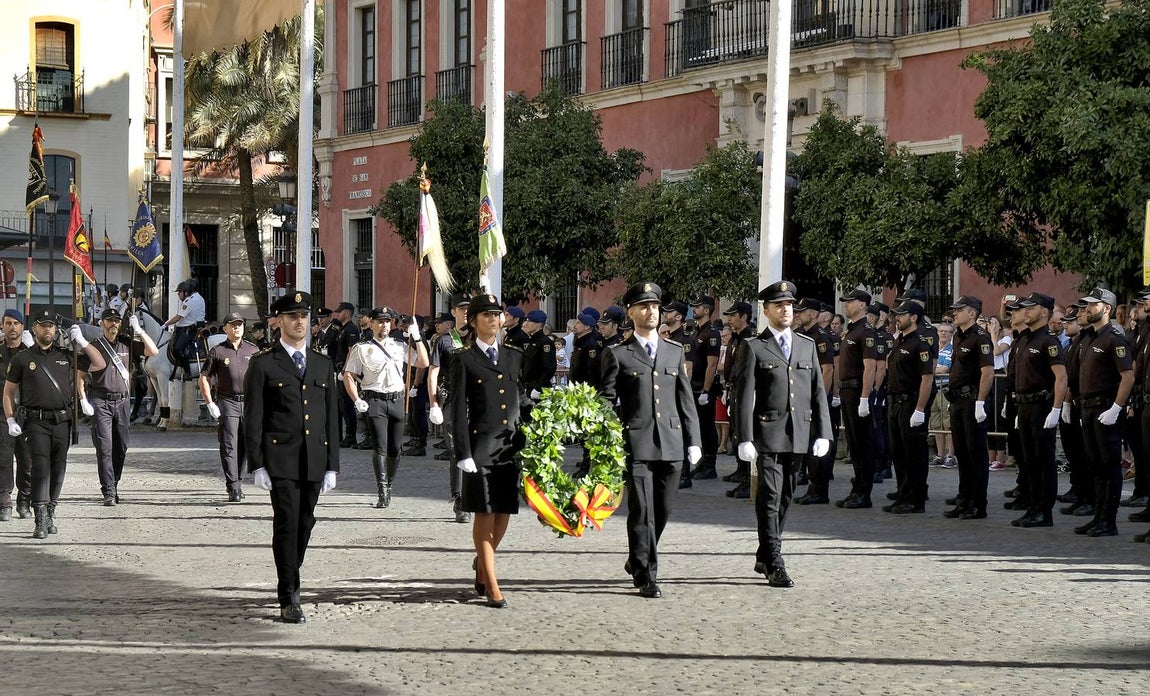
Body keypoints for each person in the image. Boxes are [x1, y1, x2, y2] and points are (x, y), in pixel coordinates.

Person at [244, 291, 339, 623]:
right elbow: (253, 417)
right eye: (292, 316)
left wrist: (332, 465)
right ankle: (289, 595)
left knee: (305, 523)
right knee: (287, 523)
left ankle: (289, 569)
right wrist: (256, 463)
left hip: (314, 459)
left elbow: (330, 418)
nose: (299, 322)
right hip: (280, 459)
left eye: (304, 317)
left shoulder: (322, 364)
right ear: (279, 321)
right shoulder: (264, 364)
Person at [601, 282, 701, 599]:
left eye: (655, 306)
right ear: (631, 312)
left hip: (671, 441)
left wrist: (694, 439)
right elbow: (606, 401)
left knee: (663, 509)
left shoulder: (674, 351)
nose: (651, 312)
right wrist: (611, 435)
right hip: (636, 442)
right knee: (642, 511)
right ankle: (647, 574)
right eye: (644, 306)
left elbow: (685, 399)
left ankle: (637, 557)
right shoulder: (618, 353)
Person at [733, 281, 831, 588]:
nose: (786, 310)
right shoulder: (754, 347)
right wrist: (744, 437)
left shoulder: (806, 345)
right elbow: (744, 396)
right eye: (779, 305)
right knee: (771, 495)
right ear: (766, 310)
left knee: (787, 494)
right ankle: (775, 560)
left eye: (789, 305)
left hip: (799, 431)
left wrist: (823, 432)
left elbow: (818, 392)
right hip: (767, 431)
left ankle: (764, 553)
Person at [449, 293, 524, 608]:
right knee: (485, 510)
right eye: (486, 315)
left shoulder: (513, 356)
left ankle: (482, 562)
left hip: (510, 446)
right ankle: (493, 585)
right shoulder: (463, 359)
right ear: (473, 321)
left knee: (504, 510)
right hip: (480, 445)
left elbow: (522, 402)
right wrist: (462, 452)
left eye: (497, 314)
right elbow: (457, 409)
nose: (493, 319)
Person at [4, 311, 105, 539]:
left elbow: (99, 363)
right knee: (40, 466)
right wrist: (10, 418)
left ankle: (51, 511)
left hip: (62, 421)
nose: (47, 329)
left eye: (51, 326)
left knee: (59, 469)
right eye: (42, 325)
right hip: (35, 421)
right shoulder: (22, 358)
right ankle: (39, 515)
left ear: (55, 330)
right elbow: (8, 392)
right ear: (35, 329)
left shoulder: (68, 355)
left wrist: (83, 342)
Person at [342, 307, 428, 508]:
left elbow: (423, 362)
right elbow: (349, 374)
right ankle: (383, 489)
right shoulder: (361, 348)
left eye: (387, 322)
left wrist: (417, 338)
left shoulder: (400, 346)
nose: (384, 325)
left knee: (395, 449)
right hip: (375, 401)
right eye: (380, 321)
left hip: (397, 400)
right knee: (380, 446)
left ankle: (388, 483)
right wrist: (356, 399)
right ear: (371, 324)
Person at [80, 308, 159, 505]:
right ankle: (108, 491)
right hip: (100, 400)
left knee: (121, 448)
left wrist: (139, 330)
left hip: (123, 401)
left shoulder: (127, 343)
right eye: (109, 321)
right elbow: (80, 376)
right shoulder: (94, 346)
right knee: (104, 447)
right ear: (102, 323)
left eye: (116, 321)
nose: (113, 324)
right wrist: (83, 399)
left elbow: (153, 350)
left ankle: (113, 483)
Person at [1072, 286, 1133, 537]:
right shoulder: (1088, 338)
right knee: (1095, 465)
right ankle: (1098, 516)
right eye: (1087, 305)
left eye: (1093, 305)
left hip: (1105, 408)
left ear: (1106, 309)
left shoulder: (1114, 339)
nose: (1087, 309)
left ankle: (1109, 520)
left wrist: (1116, 408)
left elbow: (1127, 376)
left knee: (1108, 466)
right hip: (1087, 409)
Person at [1006, 292, 1067, 528]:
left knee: (1043, 460)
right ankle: (1033, 506)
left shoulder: (1048, 341)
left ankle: (1044, 510)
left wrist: (1056, 409)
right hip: (1024, 406)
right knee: (1029, 460)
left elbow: (1060, 377)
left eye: (1032, 308)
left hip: (1041, 406)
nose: (1026, 311)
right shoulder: (1024, 340)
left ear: (1044, 312)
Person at [199, 312, 260, 502]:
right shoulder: (218, 351)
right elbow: (204, 377)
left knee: (245, 445)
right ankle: (233, 486)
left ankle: (238, 481)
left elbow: (261, 378)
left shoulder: (253, 350)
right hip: (228, 401)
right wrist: (209, 403)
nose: (237, 328)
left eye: (240, 324)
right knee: (229, 444)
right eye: (233, 325)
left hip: (249, 402)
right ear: (225, 328)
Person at [943, 296, 995, 520]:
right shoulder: (958, 336)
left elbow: (988, 372)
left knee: (976, 455)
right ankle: (963, 500)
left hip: (972, 401)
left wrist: (981, 402)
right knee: (962, 454)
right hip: (957, 400)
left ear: (972, 313)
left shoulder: (980, 338)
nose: (955, 313)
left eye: (959, 310)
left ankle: (978, 504)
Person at [881, 302, 935, 514]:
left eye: (902, 315)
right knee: (898, 452)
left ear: (914, 318)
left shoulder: (920, 344)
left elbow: (927, 378)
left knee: (914, 454)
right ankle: (903, 494)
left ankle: (915, 498)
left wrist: (920, 409)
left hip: (909, 402)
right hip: (894, 401)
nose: (897, 319)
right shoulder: (899, 342)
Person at [429, 296, 473, 522]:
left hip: (477, 401)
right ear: (453, 312)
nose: (465, 312)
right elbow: (434, 372)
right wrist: (434, 403)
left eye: (469, 308)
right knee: (457, 450)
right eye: (461, 309)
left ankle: (474, 495)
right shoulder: (444, 341)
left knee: (477, 450)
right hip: (453, 400)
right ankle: (459, 499)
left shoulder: (480, 337)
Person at [835, 288, 880, 509]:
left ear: (862, 304)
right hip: (846, 391)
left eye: (851, 301)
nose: (847, 305)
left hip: (857, 392)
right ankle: (857, 488)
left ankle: (864, 492)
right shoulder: (851, 331)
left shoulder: (866, 332)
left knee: (863, 444)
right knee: (854, 443)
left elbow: (870, 367)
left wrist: (864, 397)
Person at [794, 298, 836, 505]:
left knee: (818, 445)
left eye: (802, 312)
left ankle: (819, 489)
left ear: (813, 314)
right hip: (803, 397)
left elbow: (827, 370)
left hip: (815, 398)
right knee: (808, 444)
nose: (798, 315)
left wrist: (821, 398)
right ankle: (813, 486)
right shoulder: (804, 336)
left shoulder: (820, 338)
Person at [0, 310, 33, 521]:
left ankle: (24, 500)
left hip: (27, 413)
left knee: (27, 458)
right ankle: (4, 500)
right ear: (2, 326)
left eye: (16, 323)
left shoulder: (31, 354)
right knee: (2, 457)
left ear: (22, 327)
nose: (12, 327)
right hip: (2, 412)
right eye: (8, 323)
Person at [722, 301, 755, 498]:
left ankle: (747, 479)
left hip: (743, 391)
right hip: (733, 390)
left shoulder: (749, 338)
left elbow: (745, 371)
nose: (730, 319)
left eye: (733, 315)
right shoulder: (736, 339)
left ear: (744, 317)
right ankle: (741, 471)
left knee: (743, 434)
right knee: (736, 433)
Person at [687, 295, 722, 481]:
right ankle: (701, 463)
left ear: (707, 310)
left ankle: (710, 464)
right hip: (695, 385)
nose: (695, 309)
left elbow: (712, 364)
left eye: (698, 307)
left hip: (704, 387)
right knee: (699, 427)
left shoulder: (712, 333)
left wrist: (706, 391)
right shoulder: (696, 332)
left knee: (708, 427)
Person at [329, 301, 360, 447]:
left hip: (345, 371)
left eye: (340, 312)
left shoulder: (351, 329)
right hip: (339, 369)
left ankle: (350, 435)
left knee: (347, 405)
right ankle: (342, 435)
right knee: (340, 404)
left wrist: (345, 370)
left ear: (346, 313)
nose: (338, 314)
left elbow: (351, 351)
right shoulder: (343, 329)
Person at [162, 279, 206, 377]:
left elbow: (178, 317)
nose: (178, 294)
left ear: (187, 291)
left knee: (178, 348)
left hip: (188, 330)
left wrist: (165, 325)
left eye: (180, 292)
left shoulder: (190, 301)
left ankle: (187, 372)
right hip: (193, 328)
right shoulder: (199, 298)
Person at [519, 309, 557, 418]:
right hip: (529, 387)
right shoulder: (531, 341)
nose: (526, 324)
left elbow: (549, 368)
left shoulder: (545, 343)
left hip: (539, 389)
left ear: (539, 324)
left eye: (530, 321)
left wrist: (538, 388)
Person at [931, 322, 955, 468]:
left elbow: (944, 369)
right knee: (936, 424)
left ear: (952, 334)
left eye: (947, 331)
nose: (943, 333)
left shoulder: (951, 350)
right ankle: (940, 455)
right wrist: (935, 368)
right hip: (933, 388)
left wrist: (932, 369)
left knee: (948, 424)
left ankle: (950, 455)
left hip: (945, 388)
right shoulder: (934, 349)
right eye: (941, 331)